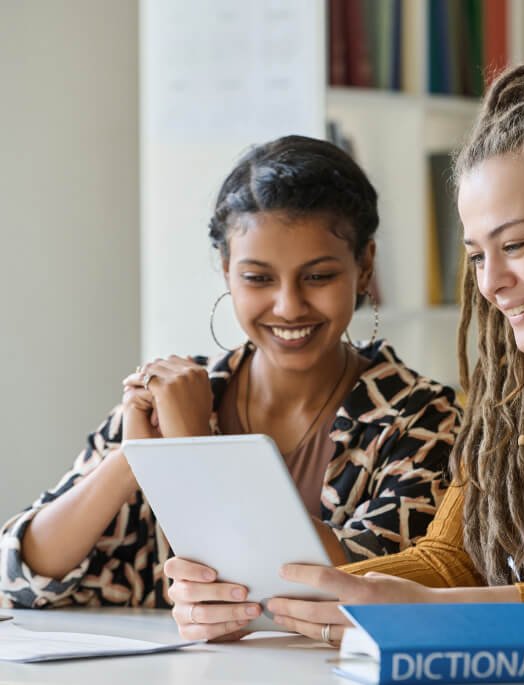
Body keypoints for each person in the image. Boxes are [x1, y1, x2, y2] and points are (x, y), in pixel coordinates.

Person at [165, 63, 524, 646]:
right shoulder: (514, 399)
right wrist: (254, 598)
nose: (491, 283)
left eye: (513, 244)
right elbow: (446, 563)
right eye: (477, 256)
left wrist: (447, 614)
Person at [0, 136, 461, 619]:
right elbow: (21, 576)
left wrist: (196, 449)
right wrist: (138, 458)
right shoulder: (172, 398)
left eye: (318, 276)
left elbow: (368, 585)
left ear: (364, 266)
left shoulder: (422, 418)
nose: (288, 306)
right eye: (258, 278)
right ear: (226, 271)